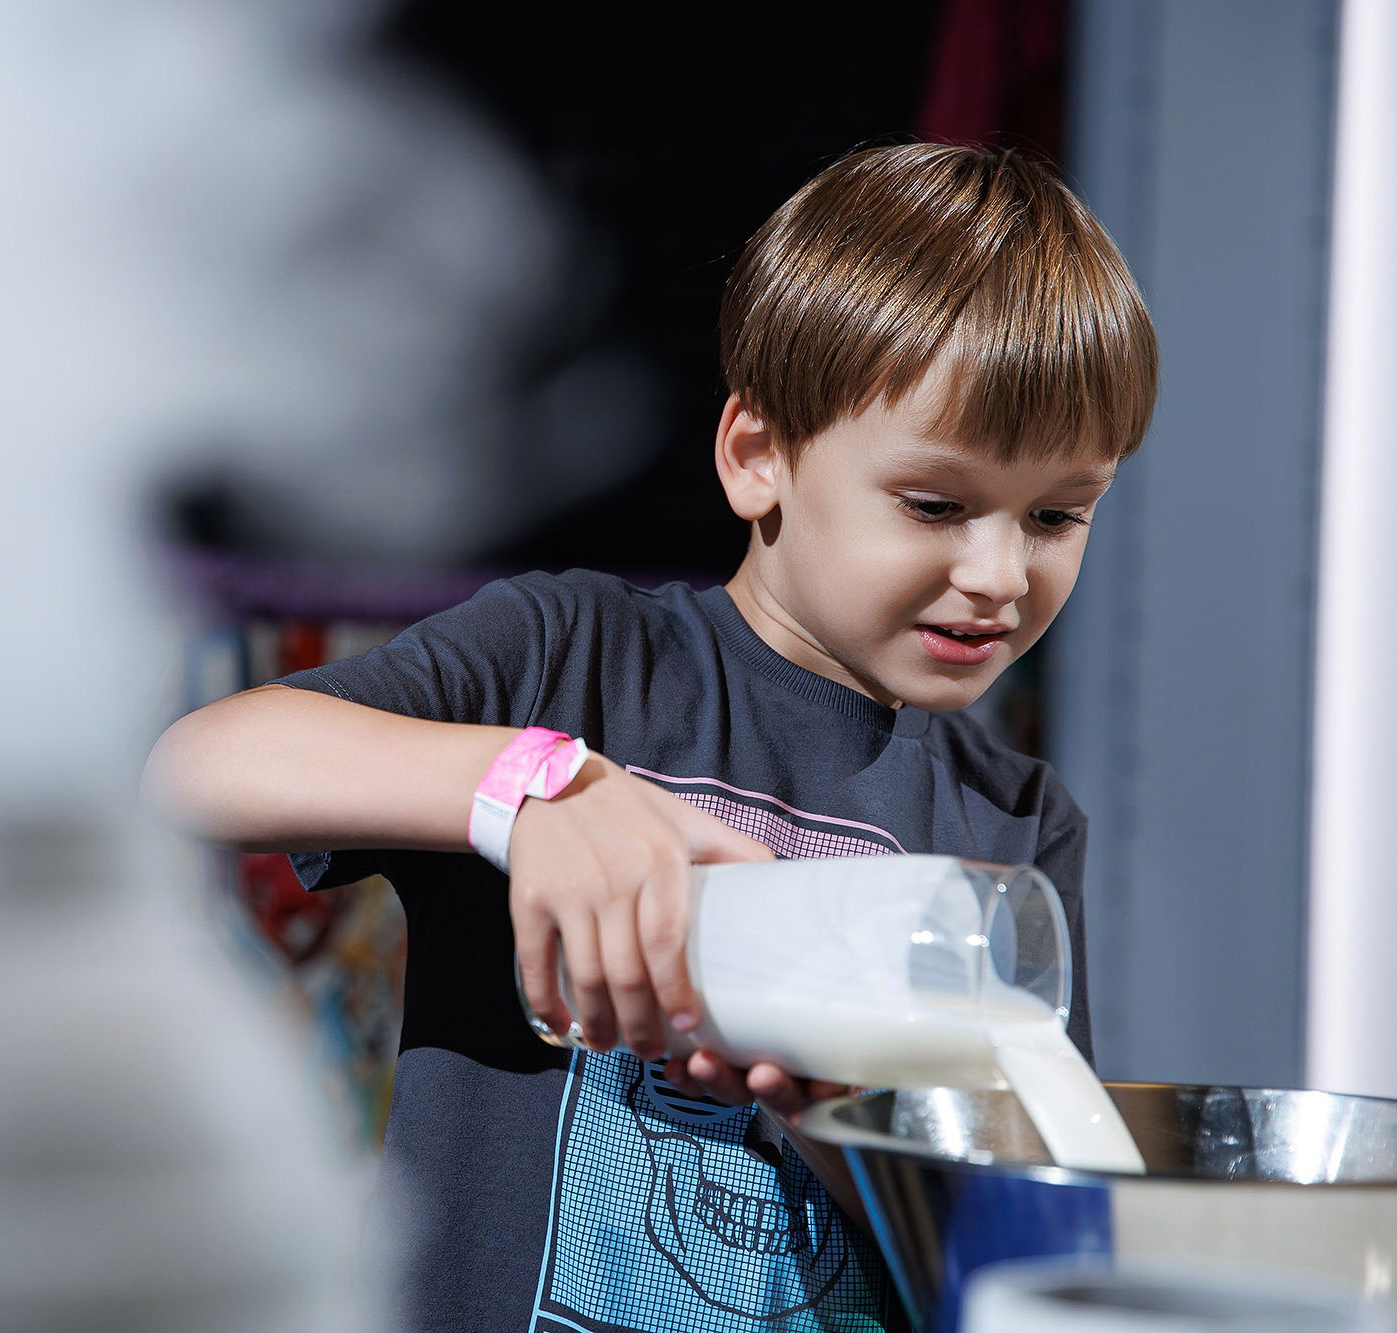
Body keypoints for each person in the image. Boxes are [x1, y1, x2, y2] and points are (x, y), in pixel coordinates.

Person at [145, 142, 1158, 1333]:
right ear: (756, 457)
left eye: (1055, 515)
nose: (996, 573)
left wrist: (852, 1117)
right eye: (934, 504)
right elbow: (197, 765)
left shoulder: (1015, 824)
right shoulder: (570, 657)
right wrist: (528, 789)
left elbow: (1025, 1252)